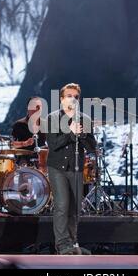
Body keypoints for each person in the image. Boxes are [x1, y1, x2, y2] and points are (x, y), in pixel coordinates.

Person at [46, 83, 97, 255]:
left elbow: (91, 146)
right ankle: (62, 245)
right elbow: (53, 145)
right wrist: (70, 134)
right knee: (62, 205)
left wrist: (81, 134)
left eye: (76, 96)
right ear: (61, 99)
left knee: (75, 207)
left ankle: (73, 242)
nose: (73, 99)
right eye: (69, 95)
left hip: (76, 167)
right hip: (57, 168)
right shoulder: (52, 118)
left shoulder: (84, 119)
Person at [11, 96, 47, 166]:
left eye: (39, 107)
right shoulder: (19, 125)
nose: (37, 110)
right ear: (28, 109)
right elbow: (11, 145)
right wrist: (24, 143)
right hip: (24, 162)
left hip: (43, 161)